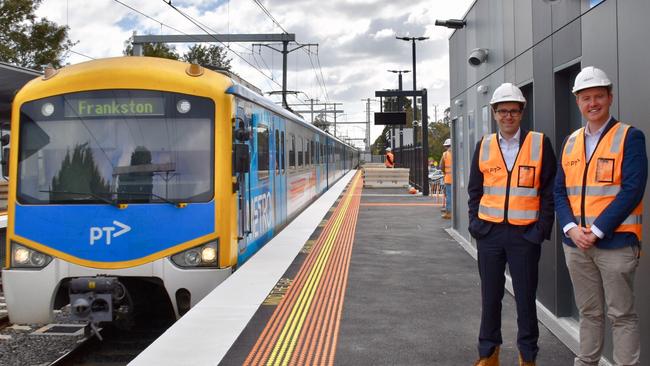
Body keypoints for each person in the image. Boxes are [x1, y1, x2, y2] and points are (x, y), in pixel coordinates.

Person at [554, 66, 646, 366]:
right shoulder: (570, 142)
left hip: (616, 243)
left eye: (598, 96)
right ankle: (587, 361)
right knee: (589, 312)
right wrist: (570, 228)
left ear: (610, 97)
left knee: (621, 314)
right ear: (578, 102)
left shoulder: (629, 136)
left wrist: (597, 230)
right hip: (576, 245)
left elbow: (632, 189)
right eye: (585, 98)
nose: (592, 103)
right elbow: (559, 191)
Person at [468, 83, 557, 366]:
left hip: (524, 236)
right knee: (490, 298)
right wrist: (476, 225)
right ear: (494, 113)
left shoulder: (539, 144)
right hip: (490, 235)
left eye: (514, 111)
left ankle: (527, 356)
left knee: (526, 300)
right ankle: (488, 354)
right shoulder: (483, 146)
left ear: (522, 113)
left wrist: (540, 230)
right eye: (503, 111)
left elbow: (549, 191)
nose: (508, 116)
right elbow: (475, 191)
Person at [440, 138, 453, 219]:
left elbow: (441, 167)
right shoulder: (458, 153)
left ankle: (449, 213)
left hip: (448, 179)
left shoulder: (445, 154)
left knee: (449, 196)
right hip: (459, 180)